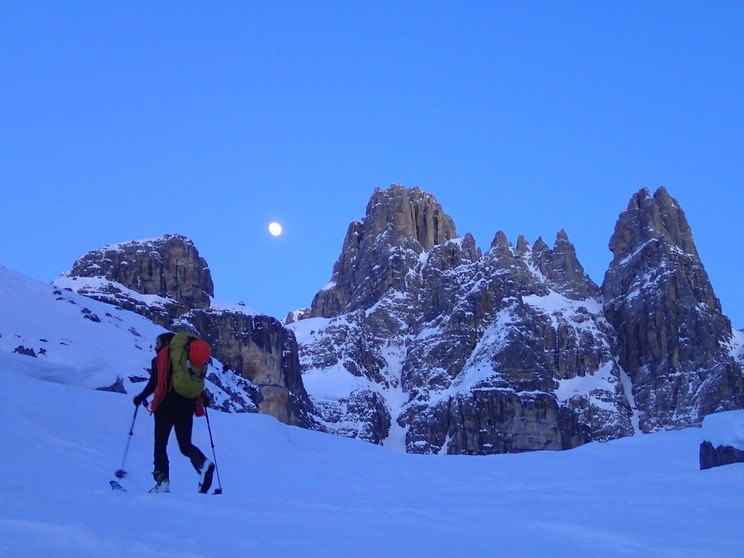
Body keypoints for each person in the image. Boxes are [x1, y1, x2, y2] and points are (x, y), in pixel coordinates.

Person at [133, 331, 215, 493]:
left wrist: (140, 397)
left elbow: (154, 382)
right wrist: (202, 399)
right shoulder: (186, 360)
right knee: (185, 445)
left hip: (166, 404)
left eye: (157, 343)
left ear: (165, 343)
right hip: (187, 404)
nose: (155, 347)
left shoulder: (161, 358)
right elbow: (194, 381)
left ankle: (162, 480)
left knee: (160, 443)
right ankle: (203, 463)